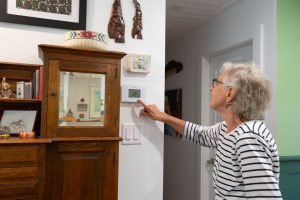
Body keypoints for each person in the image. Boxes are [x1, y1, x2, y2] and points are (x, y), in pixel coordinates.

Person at [138, 62, 282, 199]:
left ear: (230, 93)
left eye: (216, 83)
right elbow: (198, 133)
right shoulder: (227, 128)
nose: (211, 88)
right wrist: (161, 117)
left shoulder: (248, 138)